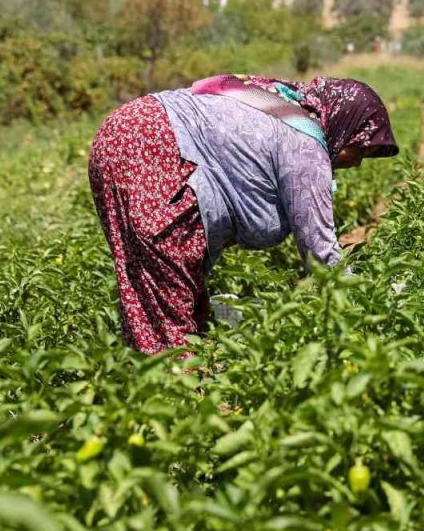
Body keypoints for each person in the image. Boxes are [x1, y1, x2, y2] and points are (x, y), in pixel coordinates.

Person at [88, 74, 398, 355]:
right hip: (154, 145)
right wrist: (372, 302)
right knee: (167, 307)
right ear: (345, 124)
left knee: (159, 284)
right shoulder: (305, 144)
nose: (356, 163)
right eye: (358, 149)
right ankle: (178, 401)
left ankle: (151, 383)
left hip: (125, 132)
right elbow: (321, 253)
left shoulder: (283, 103)